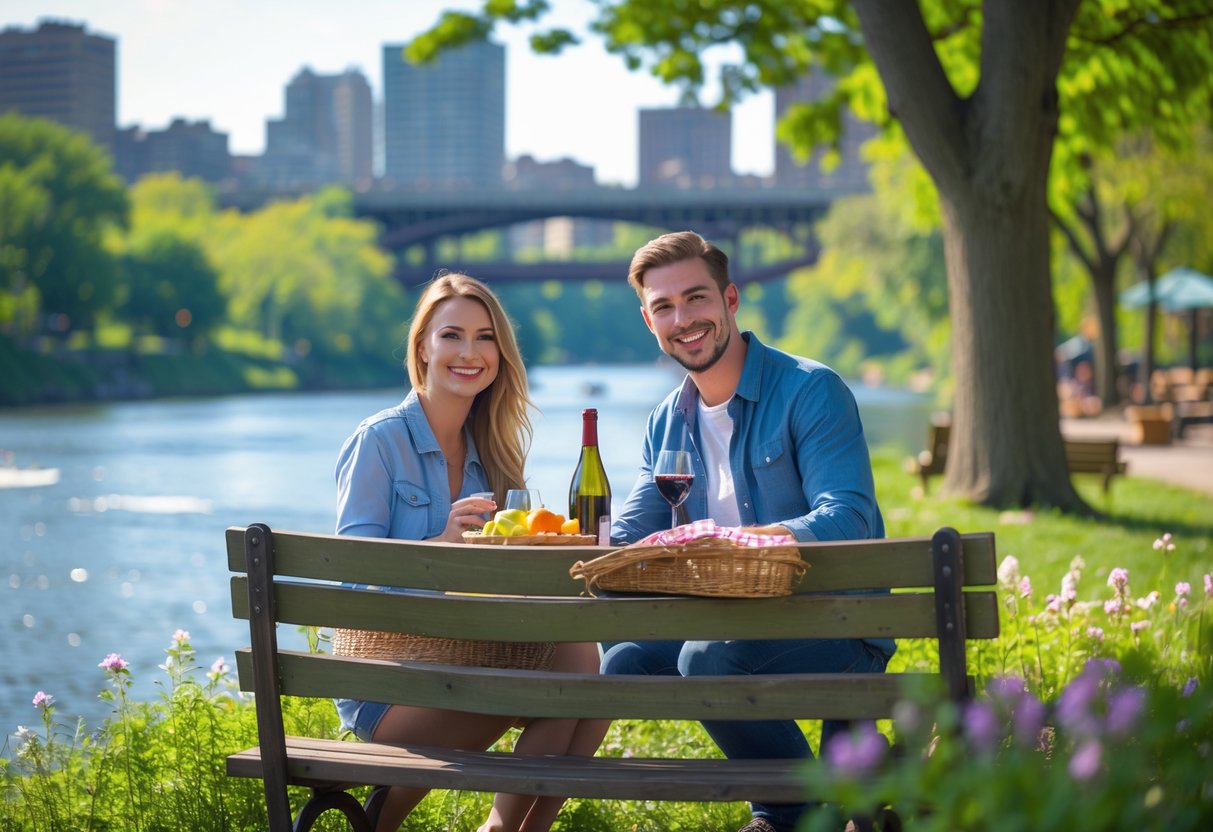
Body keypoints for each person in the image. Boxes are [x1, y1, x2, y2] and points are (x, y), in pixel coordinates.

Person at [604, 232, 892, 832]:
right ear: (647, 320)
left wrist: (740, 542)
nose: (682, 319)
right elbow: (630, 531)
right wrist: (564, 536)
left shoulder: (810, 390)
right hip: (732, 623)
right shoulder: (666, 420)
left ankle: (788, 811)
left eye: (696, 299)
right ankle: (844, 787)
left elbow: (848, 517)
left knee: (707, 658)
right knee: (625, 658)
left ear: (730, 300)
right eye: (663, 307)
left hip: (833, 621)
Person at [334, 272, 609, 832]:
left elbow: (507, 581)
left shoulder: (493, 453)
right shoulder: (380, 441)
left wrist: (550, 551)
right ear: (422, 348)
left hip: (466, 662)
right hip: (388, 685)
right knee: (558, 680)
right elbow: (350, 582)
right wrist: (439, 547)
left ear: (500, 355)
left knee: (584, 662)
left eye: (485, 338)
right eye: (451, 335)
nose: (469, 352)